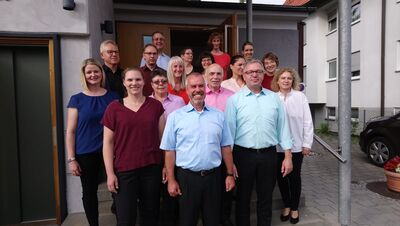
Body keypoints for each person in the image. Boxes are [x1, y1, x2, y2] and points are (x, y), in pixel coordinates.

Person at [160, 72, 235, 226]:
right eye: (193, 86)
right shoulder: (175, 117)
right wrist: (171, 179)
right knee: (187, 220)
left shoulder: (219, 115)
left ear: (205, 87)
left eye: (201, 85)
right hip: (187, 178)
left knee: (213, 220)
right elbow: (169, 151)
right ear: (187, 89)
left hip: (213, 178)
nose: (197, 89)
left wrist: (229, 174)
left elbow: (225, 146)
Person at [225, 59, 293, 226]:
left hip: (268, 155)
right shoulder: (234, 100)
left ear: (263, 74)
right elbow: (228, 133)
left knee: (266, 197)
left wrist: (288, 156)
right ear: (244, 75)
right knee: (243, 198)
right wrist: (230, 162)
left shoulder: (274, 99)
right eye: (250, 72)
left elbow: (283, 128)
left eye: (258, 71)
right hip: (242, 155)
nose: (254, 75)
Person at [102, 68, 166, 226]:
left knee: (150, 215)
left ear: (144, 82)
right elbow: (108, 143)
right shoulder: (114, 108)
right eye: (129, 80)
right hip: (124, 170)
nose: (134, 83)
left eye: (137, 79)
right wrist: (110, 174)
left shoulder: (155, 106)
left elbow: (163, 139)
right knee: (125, 217)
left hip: (151, 168)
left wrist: (165, 165)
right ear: (124, 82)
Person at [66, 58, 119, 226]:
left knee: (118, 188)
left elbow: (119, 125)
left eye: (96, 71)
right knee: (89, 191)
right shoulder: (77, 99)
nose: (93, 74)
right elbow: (71, 131)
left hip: (111, 150)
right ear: (84, 75)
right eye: (89, 72)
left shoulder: (113, 97)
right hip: (86, 152)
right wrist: (72, 159)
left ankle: (122, 219)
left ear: (101, 73)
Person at [271, 68, 313, 225]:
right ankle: (286, 205)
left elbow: (307, 122)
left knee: (294, 178)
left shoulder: (300, 97)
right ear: (277, 80)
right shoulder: (273, 98)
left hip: (296, 146)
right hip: (277, 147)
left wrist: (307, 144)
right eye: (283, 78)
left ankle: (295, 207)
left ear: (293, 80)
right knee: (281, 178)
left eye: (289, 78)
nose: (286, 80)